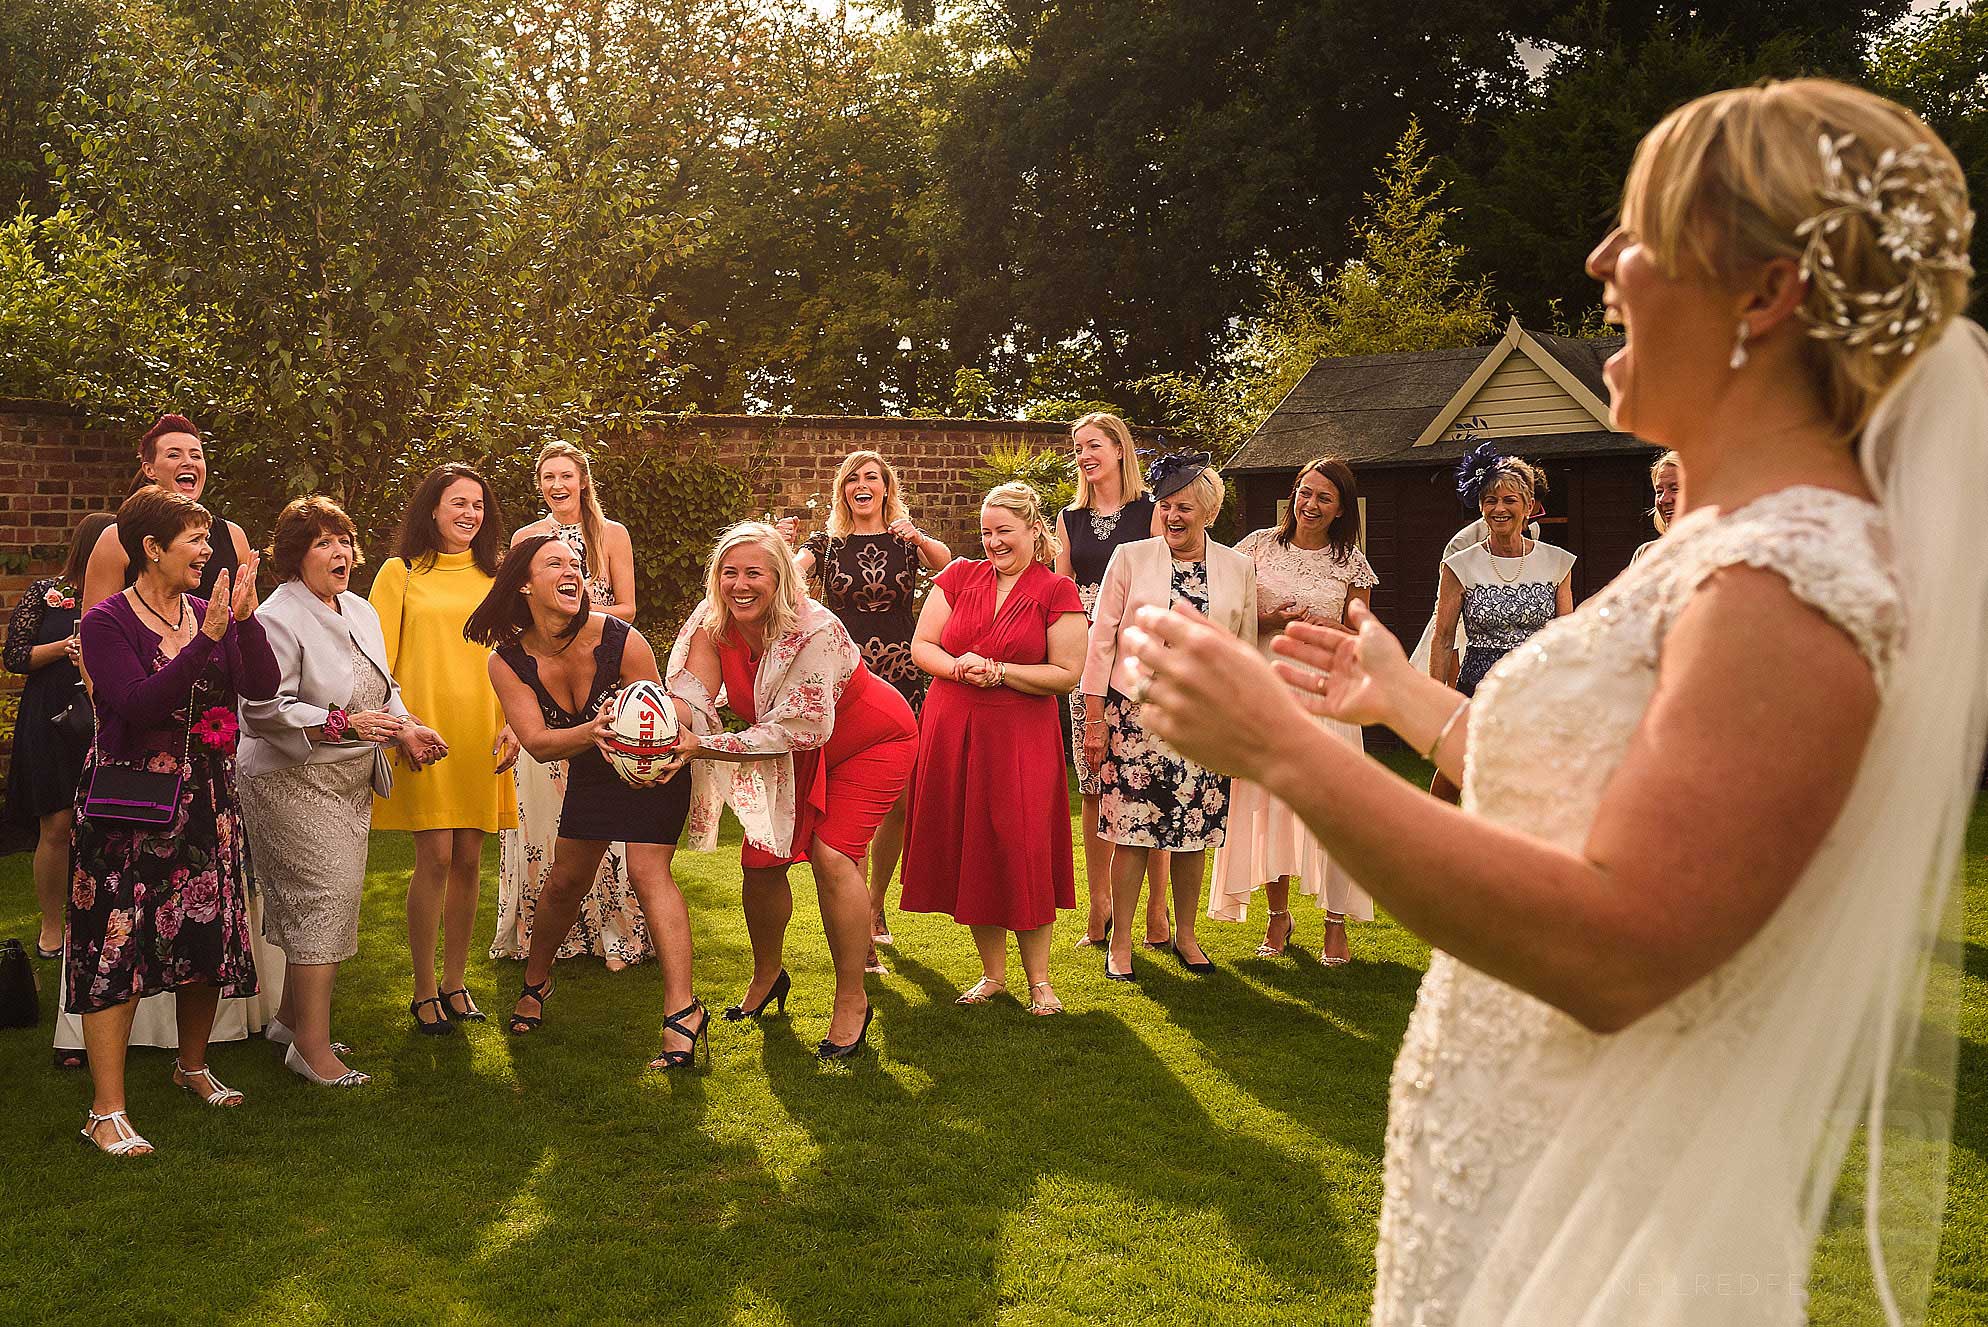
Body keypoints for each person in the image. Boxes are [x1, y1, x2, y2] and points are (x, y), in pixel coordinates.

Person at [1117, 78, 1983, 1324]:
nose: (1598, 257)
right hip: (1510, 1157)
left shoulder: (1789, 587)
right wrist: (1411, 702)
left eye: (1639, 228)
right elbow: (1606, 799)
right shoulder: (1719, 548)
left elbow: (1619, 945)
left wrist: (1290, 756)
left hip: (1605, 1203)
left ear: (1763, 293)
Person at [68, 486, 276, 1155]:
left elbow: (261, 686)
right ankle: (106, 1109)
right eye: (193, 538)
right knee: (116, 948)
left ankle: (191, 1065)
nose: (206, 550)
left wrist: (242, 621)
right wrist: (204, 640)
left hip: (206, 802)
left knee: (203, 936)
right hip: (127, 810)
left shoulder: (204, 609)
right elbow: (134, 703)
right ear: (151, 549)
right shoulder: (106, 622)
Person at [664, 523, 917, 1060]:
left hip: (867, 738)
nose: (740, 585)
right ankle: (768, 976)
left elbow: (797, 726)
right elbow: (692, 695)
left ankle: (852, 999)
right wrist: (661, 725)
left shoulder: (814, 628)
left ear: (780, 578)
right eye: (729, 572)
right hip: (786, 751)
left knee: (832, 857)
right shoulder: (712, 623)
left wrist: (705, 747)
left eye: (754, 572)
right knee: (760, 862)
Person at [472, 535, 705, 1069]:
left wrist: (661, 743)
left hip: (654, 767)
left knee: (650, 875)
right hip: (591, 768)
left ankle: (682, 1012)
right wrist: (595, 732)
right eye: (555, 563)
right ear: (525, 583)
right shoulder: (506, 662)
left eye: (577, 564)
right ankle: (537, 981)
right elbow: (536, 741)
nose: (572, 570)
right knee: (563, 884)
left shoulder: (622, 640)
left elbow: (658, 716)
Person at [237, 498, 447, 1088]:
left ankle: (287, 1021)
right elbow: (261, 709)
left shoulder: (358, 608)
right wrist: (343, 725)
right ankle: (312, 1050)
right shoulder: (277, 616)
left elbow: (380, 686)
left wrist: (406, 726)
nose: (341, 554)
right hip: (289, 781)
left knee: (323, 898)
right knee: (320, 899)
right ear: (296, 556)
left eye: (345, 541)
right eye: (325, 543)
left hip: (347, 782)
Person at [899, 483, 1088, 1014]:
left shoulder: (1057, 591)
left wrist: (1002, 672)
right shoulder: (959, 576)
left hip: (1019, 735)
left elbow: (1066, 673)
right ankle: (993, 975)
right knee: (973, 843)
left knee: (1021, 841)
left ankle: (1040, 980)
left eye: (1005, 531)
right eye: (986, 531)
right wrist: (957, 666)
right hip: (954, 723)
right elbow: (923, 646)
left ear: (1034, 530)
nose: (994, 542)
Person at [1081, 454, 1257, 982]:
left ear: (1208, 511)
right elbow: (1101, 637)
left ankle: (1185, 934)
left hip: (1202, 718)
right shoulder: (1131, 558)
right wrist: (1095, 717)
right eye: (1166, 506)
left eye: (1184, 507)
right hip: (1134, 716)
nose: (1172, 516)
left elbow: (1243, 651)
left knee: (1194, 831)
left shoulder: (1237, 567)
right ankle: (1123, 941)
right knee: (1132, 831)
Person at [1207, 458, 1377, 964]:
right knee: (1271, 803)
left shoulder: (1350, 562)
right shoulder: (1257, 546)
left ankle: (1335, 920)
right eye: (1305, 493)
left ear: (1342, 509)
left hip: (1324, 692)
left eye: (1324, 498)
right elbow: (1222, 605)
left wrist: (1326, 624)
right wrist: (1266, 616)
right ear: (1293, 494)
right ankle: (1277, 916)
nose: (1310, 505)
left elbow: (1366, 640)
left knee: (1331, 805)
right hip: (1267, 689)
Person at [370, 463, 518, 1035]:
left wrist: (513, 725)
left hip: (485, 727)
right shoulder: (399, 573)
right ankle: (423, 987)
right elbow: (376, 661)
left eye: (478, 505)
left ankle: (457, 982)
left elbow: (516, 658)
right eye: (458, 502)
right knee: (433, 856)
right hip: (423, 730)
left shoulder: (497, 577)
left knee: (469, 860)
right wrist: (400, 724)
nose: (468, 514)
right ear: (431, 509)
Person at [790, 450, 951, 971]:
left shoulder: (906, 541)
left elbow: (946, 565)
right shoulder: (828, 544)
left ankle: (875, 902)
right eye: (853, 479)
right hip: (844, 675)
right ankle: (858, 920)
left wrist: (915, 534)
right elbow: (792, 575)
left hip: (904, 674)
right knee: (848, 795)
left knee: (899, 798)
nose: (863, 486)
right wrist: (786, 551)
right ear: (843, 490)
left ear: (886, 488)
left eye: (873, 479)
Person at [496, 441, 651, 971]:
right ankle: (550, 935)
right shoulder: (525, 539)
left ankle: (613, 929)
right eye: (547, 477)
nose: (557, 485)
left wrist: (576, 612)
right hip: (545, 684)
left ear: (583, 480)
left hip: (600, 673)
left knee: (605, 815)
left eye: (566, 475)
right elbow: (516, 630)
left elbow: (629, 606)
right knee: (547, 819)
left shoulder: (613, 535)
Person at [1050, 412, 1171, 950]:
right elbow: (1061, 591)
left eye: (1093, 445)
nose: (1084, 455)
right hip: (1089, 664)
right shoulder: (1069, 520)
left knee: (1151, 780)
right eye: (1078, 448)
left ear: (1121, 449)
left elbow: (1164, 583)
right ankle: (1099, 906)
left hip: (1142, 658)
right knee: (1095, 782)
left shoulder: (1151, 512)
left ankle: (1156, 910)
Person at [1427, 449, 1573, 804]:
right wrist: (1435, 700)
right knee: (1456, 772)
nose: (1499, 509)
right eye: (1490, 500)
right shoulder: (1459, 564)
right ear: (1480, 507)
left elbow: (1566, 636)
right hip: (1479, 686)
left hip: (1537, 687)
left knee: (1533, 780)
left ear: (1528, 506)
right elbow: (1444, 637)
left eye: (1509, 500)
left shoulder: (1557, 561)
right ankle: (1437, 843)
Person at [5, 513, 113, 967]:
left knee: (107, 826)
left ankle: (103, 922)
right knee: (56, 823)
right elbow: (14, 654)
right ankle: (53, 925)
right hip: (50, 718)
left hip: (103, 717)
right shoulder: (48, 595)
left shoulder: (128, 598)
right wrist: (64, 648)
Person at [81, 415, 254, 610]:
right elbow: (94, 630)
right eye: (174, 455)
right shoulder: (115, 538)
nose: (188, 462)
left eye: (196, 456)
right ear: (149, 470)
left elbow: (251, 624)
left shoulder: (234, 536)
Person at [1629, 449, 1684, 564]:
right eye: (1659, 491)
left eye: (1675, 489)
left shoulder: (1723, 551)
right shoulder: (1646, 554)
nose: (1663, 499)